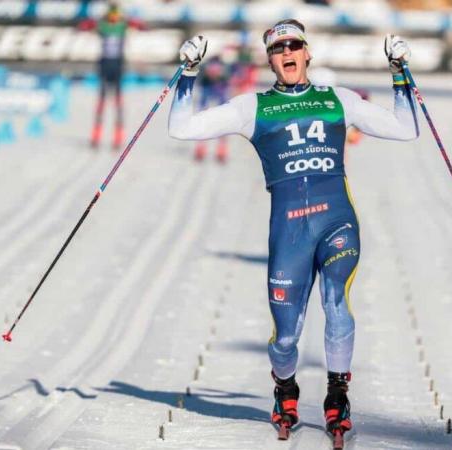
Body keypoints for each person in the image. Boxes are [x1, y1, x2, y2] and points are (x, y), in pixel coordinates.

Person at [168, 19, 418, 444]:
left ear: (307, 53)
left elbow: (406, 128)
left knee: (336, 301)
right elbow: (181, 128)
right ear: (270, 60)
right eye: (278, 49)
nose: (287, 54)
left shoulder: (337, 99)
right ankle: (285, 388)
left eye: (294, 46)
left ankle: (337, 396)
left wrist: (399, 72)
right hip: (288, 232)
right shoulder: (253, 108)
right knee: (285, 338)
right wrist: (187, 74)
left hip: (337, 221)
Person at [79, 2, 145, 150]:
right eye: (112, 16)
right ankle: (96, 135)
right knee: (102, 102)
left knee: (118, 103)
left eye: (116, 16)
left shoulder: (122, 25)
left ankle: (118, 137)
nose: (114, 20)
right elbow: (84, 25)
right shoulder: (103, 25)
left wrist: (133, 22)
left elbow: (141, 26)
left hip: (117, 67)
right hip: (104, 66)